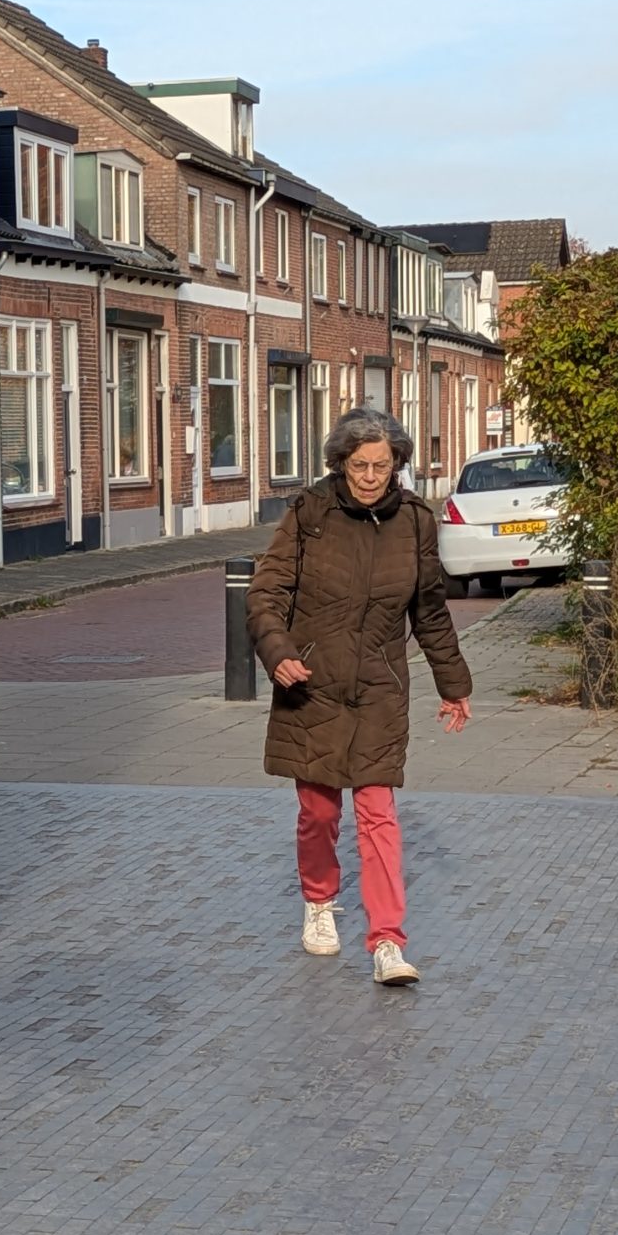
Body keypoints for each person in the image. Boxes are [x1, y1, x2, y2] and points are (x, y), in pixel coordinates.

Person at [246, 406, 471, 986]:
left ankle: (388, 942)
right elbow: (266, 593)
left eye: (383, 465)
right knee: (319, 811)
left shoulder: (416, 521)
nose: (371, 477)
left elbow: (429, 609)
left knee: (377, 812)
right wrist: (280, 655)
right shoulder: (309, 513)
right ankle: (320, 901)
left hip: (379, 689)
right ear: (340, 463)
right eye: (359, 465)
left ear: (398, 465)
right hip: (311, 684)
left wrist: (454, 686)